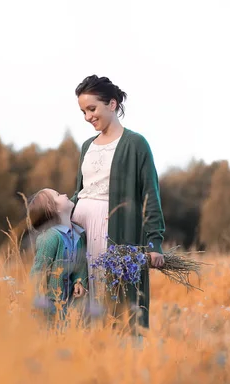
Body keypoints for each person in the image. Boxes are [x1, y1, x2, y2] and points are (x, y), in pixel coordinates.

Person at [70, 75, 166, 336]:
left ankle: (119, 362)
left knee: (114, 301)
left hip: (112, 231)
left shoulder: (136, 144)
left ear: (112, 104)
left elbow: (151, 194)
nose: (88, 117)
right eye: (83, 111)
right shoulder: (86, 146)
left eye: (92, 109)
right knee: (81, 302)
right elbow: (80, 191)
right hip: (81, 234)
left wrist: (155, 242)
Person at [27, 188, 89, 327]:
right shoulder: (50, 238)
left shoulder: (79, 235)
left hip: (69, 305)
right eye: (58, 195)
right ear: (53, 208)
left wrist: (79, 282)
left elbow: (80, 266)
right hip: (50, 305)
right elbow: (38, 272)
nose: (65, 194)